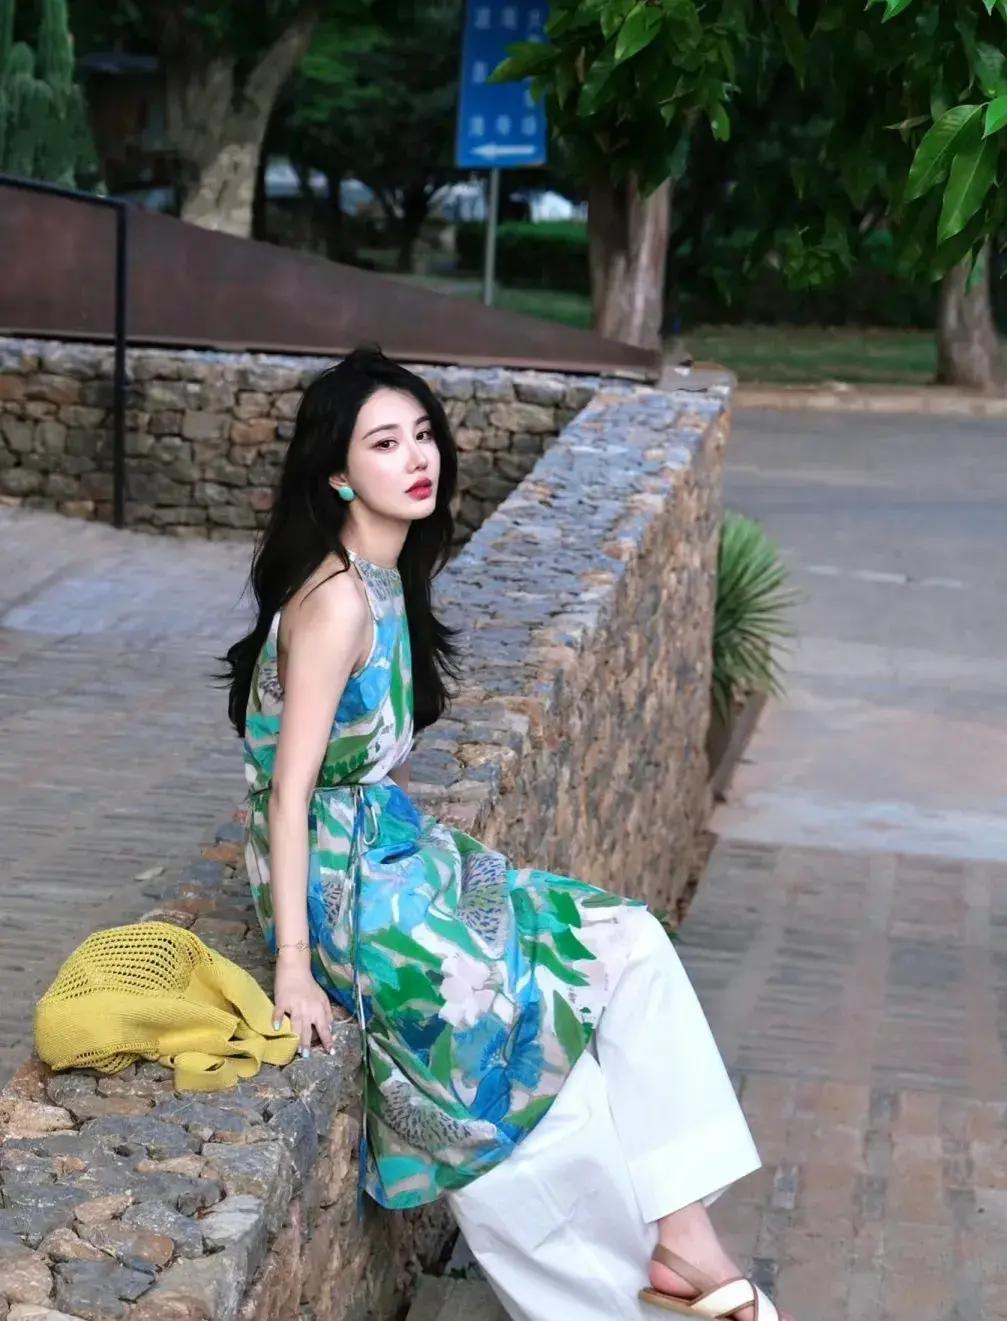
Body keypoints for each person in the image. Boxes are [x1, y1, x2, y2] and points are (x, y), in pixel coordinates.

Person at [219, 347, 792, 1321]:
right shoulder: (336, 600)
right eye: (384, 443)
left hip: (393, 851)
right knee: (512, 1054)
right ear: (336, 473)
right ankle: (631, 1288)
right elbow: (287, 794)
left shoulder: (386, 577)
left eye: (423, 434)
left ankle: (682, 1230)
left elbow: (367, 761)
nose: (417, 456)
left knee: (628, 944)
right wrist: (296, 967)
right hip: (343, 886)